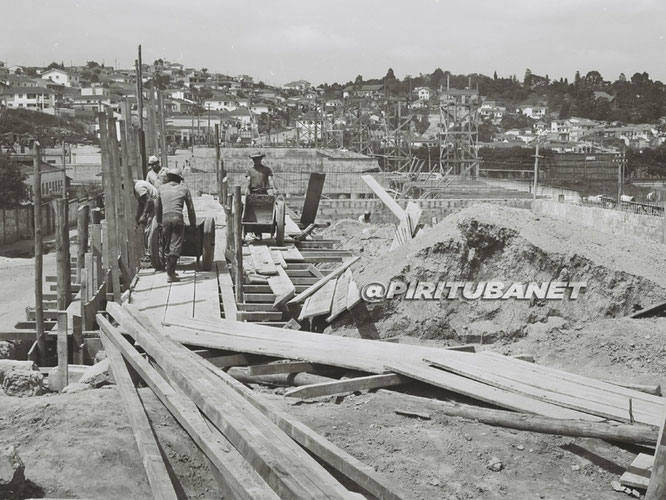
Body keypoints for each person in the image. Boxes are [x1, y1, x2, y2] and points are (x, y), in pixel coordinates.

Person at [155, 168, 196, 282]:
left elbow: (158, 207)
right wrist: (193, 224)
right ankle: (170, 274)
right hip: (178, 219)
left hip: (165, 219)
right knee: (175, 246)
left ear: (168, 178)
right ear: (179, 179)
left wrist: (159, 221)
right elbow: (191, 209)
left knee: (167, 245)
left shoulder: (161, 189)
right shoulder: (184, 189)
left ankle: (171, 272)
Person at [133, 180, 159, 261]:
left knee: (149, 229)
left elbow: (149, 201)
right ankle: (150, 252)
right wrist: (137, 218)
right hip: (153, 204)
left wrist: (144, 215)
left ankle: (150, 254)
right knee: (147, 228)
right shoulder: (136, 188)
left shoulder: (138, 186)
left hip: (155, 204)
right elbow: (141, 204)